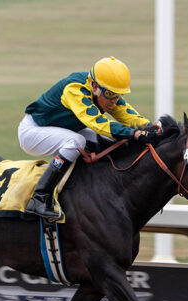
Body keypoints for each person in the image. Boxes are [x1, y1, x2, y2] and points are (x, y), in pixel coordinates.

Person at [18, 56, 160, 221]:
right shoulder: (75, 89)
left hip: (62, 129)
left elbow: (127, 114)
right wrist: (134, 134)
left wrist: (152, 128)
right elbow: (97, 123)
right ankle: (40, 197)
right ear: (95, 86)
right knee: (77, 141)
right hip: (33, 131)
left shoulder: (105, 93)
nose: (113, 101)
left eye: (118, 95)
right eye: (110, 94)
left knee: (109, 141)